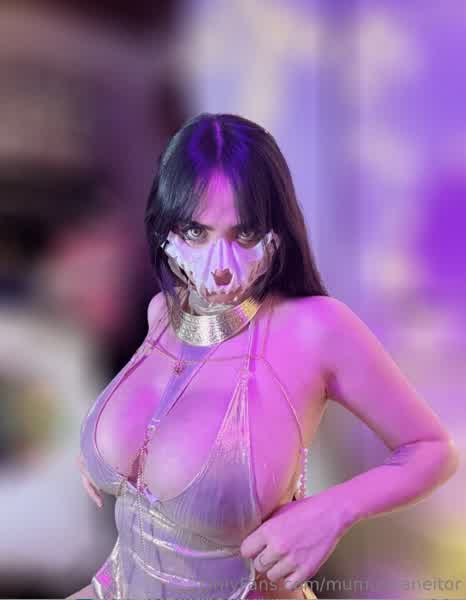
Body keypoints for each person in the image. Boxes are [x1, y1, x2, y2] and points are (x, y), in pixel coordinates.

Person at [67, 113, 459, 600]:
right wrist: (104, 442)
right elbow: (157, 427)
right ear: (164, 228)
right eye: (196, 232)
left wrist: (331, 511)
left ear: (277, 230)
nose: (220, 266)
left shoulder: (316, 328)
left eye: (245, 234)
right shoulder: (163, 313)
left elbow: (432, 448)